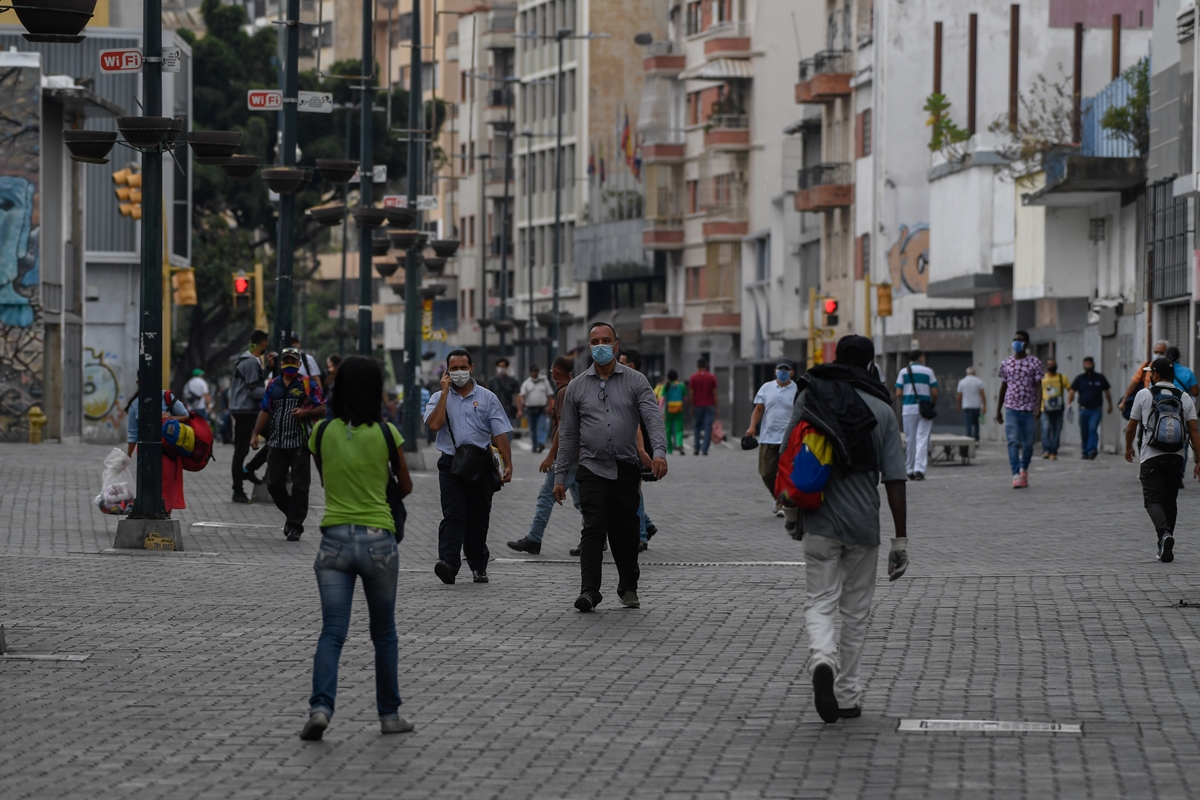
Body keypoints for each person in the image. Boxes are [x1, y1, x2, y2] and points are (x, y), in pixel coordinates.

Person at [781, 335, 908, 723]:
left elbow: (788, 450)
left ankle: (823, 659)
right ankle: (848, 695)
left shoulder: (811, 395)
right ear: (871, 364)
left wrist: (789, 507)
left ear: (836, 359)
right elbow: (895, 480)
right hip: (863, 523)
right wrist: (900, 539)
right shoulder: (882, 408)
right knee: (855, 612)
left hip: (818, 518)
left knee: (819, 602)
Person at [300, 355, 415, 742]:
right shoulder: (387, 434)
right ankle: (389, 715)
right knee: (383, 634)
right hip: (378, 538)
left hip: (333, 540)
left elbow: (323, 476)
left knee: (332, 632)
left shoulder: (321, 431)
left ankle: (320, 707)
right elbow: (406, 486)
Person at [554, 322, 667, 612]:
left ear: (616, 346)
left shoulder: (636, 380)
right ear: (588, 346)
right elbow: (567, 434)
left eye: (606, 340)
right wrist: (559, 476)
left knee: (625, 531)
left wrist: (660, 453)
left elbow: (652, 418)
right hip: (591, 468)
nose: (600, 345)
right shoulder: (577, 386)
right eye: (595, 341)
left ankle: (628, 586)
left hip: (626, 467)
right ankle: (589, 591)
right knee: (592, 528)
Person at [424, 349, 514, 584]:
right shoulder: (437, 397)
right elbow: (434, 425)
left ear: (471, 368)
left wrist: (508, 463)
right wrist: (445, 392)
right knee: (452, 514)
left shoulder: (487, 397)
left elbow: (500, 432)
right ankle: (448, 563)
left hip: (480, 464)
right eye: (454, 368)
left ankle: (478, 566)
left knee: (478, 515)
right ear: (446, 371)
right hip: (451, 463)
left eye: (463, 367)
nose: (459, 372)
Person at [1124, 357, 1200, 563]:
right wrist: (1198, 460)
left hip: (1151, 456)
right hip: (1176, 457)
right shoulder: (1184, 397)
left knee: (1152, 501)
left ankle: (1164, 535)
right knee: (1170, 502)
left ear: (1155, 375)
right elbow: (1193, 430)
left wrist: (1128, 447)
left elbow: (1132, 426)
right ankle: (1165, 540)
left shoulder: (1144, 394)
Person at [508, 356, 582, 555]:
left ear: (556, 372)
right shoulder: (574, 388)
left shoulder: (564, 392)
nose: (550, 372)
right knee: (583, 501)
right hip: (578, 454)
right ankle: (596, 537)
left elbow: (564, 427)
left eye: (551, 370)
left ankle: (534, 539)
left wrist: (551, 456)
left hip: (568, 455)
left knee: (546, 495)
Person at [251, 348, 326, 541]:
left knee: (301, 486)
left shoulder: (307, 384)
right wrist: (255, 434)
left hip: (300, 442)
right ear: (281, 364)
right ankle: (292, 515)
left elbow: (323, 408)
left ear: (299, 364)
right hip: (276, 442)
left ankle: (295, 526)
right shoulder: (273, 385)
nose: (290, 364)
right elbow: (265, 410)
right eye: (287, 361)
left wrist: (305, 413)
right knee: (274, 483)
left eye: (294, 361)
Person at [125, 386, 191, 513]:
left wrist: (170, 417)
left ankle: (165, 514)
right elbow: (133, 434)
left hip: (169, 450)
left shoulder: (166, 397)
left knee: (167, 485)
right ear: (138, 382)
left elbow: (185, 416)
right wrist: (128, 456)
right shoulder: (135, 403)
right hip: (145, 452)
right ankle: (150, 511)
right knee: (148, 484)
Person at [745, 358, 799, 510]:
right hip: (768, 436)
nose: (782, 373)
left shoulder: (797, 390)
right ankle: (778, 497)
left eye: (786, 370)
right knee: (766, 473)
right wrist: (752, 427)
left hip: (788, 438)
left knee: (786, 473)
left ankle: (784, 503)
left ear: (792, 373)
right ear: (775, 371)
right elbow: (758, 409)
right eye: (780, 370)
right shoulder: (766, 388)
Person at [619, 349, 660, 551]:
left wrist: (643, 451)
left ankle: (641, 535)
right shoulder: (625, 385)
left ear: (631, 367)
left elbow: (642, 422)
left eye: (621, 362)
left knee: (634, 493)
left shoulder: (636, 386)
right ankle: (648, 526)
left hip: (636, 447)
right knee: (630, 491)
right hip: (631, 447)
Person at [229, 330, 274, 503]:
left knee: (275, 439)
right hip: (244, 411)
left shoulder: (252, 361)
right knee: (240, 451)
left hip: (251, 410)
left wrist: (268, 368)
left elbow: (255, 381)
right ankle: (237, 490)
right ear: (263, 343)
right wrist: (274, 393)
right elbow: (252, 389)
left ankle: (249, 469)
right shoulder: (249, 362)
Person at [996, 331, 1043, 488]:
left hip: (1028, 408)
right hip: (1011, 408)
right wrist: (998, 409)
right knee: (1013, 441)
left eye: (1020, 340)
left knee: (1028, 443)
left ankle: (1024, 468)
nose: (1016, 342)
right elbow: (1003, 387)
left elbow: (1038, 386)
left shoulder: (1035, 363)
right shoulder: (1006, 363)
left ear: (1026, 344)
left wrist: (1038, 405)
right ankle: (1016, 474)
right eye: (1014, 339)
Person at [894, 349, 937, 481]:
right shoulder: (928, 371)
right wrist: (931, 404)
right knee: (922, 439)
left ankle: (909, 469)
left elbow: (898, 393)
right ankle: (920, 469)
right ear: (920, 358)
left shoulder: (903, 372)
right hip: (924, 409)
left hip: (908, 408)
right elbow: (934, 393)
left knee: (910, 439)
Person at [1068, 357, 1112, 460]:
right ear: (1083, 365)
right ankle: (1085, 451)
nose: (1088, 365)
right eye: (1086, 364)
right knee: (1084, 431)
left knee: (1092, 429)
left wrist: (1110, 405)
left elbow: (1107, 391)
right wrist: (1069, 403)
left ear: (1093, 364)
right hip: (1083, 409)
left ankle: (1092, 450)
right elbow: (1071, 391)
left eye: (1090, 364)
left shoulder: (1100, 378)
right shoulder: (1079, 378)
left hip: (1096, 409)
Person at [1120, 340, 1170, 417]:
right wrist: (1124, 400)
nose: (1157, 355)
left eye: (1161, 353)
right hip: (1147, 402)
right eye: (1155, 352)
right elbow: (1134, 382)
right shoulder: (1146, 365)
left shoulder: (1170, 368)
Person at [517, 364, 555, 453]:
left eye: (536, 371)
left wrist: (549, 406)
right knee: (533, 429)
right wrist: (522, 404)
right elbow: (522, 395)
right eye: (533, 371)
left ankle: (540, 443)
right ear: (530, 372)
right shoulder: (527, 383)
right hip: (530, 408)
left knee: (541, 426)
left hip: (542, 408)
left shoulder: (544, 382)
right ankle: (535, 445)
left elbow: (549, 395)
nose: (535, 373)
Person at [1040, 358, 1069, 459]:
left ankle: (1053, 451)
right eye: (1049, 364)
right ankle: (1046, 449)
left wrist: (1069, 402)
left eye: (1053, 364)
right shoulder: (1042, 378)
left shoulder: (1062, 378)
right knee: (1046, 428)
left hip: (1058, 408)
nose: (1051, 366)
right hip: (1045, 408)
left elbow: (1070, 389)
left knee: (1057, 431)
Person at [688, 358, 718, 455]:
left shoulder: (693, 377)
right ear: (706, 365)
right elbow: (714, 393)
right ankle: (705, 449)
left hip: (697, 405)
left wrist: (691, 405)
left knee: (697, 426)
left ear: (697, 366)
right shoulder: (711, 377)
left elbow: (691, 393)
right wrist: (717, 407)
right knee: (708, 427)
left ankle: (696, 447)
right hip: (709, 405)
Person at [656, 369, 688, 454]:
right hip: (679, 410)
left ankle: (669, 450)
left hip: (668, 411)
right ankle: (679, 444)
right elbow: (685, 399)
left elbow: (662, 399)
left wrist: (660, 410)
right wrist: (683, 406)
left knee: (668, 430)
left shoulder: (666, 386)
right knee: (679, 429)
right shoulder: (681, 386)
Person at [487, 357, 520, 433]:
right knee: (496, 432)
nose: (501, 368)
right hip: (494, 410)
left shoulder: (512, 381)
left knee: (508, 431)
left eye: (503, 366)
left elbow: (517, 395)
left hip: (508, 409)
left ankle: (508, 444)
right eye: (500, 366)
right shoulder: (492, 381)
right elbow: (487, 396)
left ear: (507, 367)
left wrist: (519, 409)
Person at [955, 366, 986, 441]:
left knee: (968, 423)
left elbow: (959, 396)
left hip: (966, 405)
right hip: (976, 406)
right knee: (976, 423)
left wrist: (958, 405)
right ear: (974, 373)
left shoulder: (962, 382)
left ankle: (968, 439)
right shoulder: (979, 381)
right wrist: (984, 406)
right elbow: (982, 395)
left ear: (967, 373)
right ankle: (976, 439)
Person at [322, 354, 343, 420]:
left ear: (331, 363)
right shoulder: (342, 373)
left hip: (327, 403)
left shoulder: (325, 373)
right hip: (339, 404)